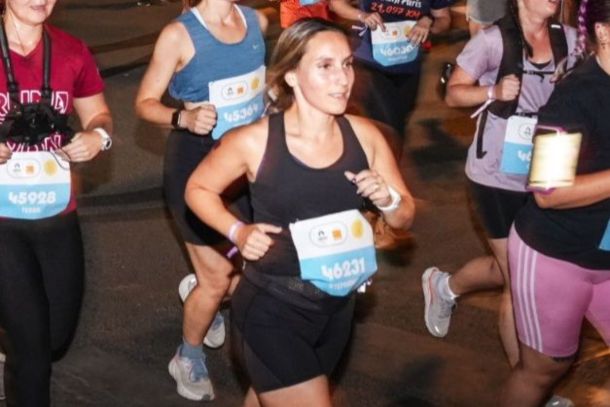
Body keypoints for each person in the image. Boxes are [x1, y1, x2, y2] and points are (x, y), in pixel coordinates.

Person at [185, 18, 415, 406]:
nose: (342, 78)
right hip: (273, 308)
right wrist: (237, 231)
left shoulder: (365, 135)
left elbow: (404, 216)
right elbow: (198, 188)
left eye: (346, 64)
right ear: (291, 75)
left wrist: (388, 199)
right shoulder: (255, 141)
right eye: (325, 66)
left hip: (337, 308)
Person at [422, 0, 577, 375]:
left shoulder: (569, 40)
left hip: (547, 170)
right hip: (494, 176)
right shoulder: (493, 41)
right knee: (518, 283)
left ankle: (445, 287)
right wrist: (492, 92)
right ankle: (528, 386)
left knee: (518, 267)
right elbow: (454, 92)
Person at [134, 0, 267, 401]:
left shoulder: (256, 21)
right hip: (197, 171)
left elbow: (258, 87)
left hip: (249, 169)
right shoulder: (179, 35)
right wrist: (183, 119)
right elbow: (144, 103)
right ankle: (187, 354)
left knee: (263, 265)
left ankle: (202, 289)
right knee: (218, 279)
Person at [0, 0, 113, 405]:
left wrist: (97, 138)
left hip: (56, 213)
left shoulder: (72, 51)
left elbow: (99, 115)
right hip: (2, 222)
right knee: (32, 354)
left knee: (57, 335)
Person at [501, 0, 610, 405]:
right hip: (554, 256)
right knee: (546, 368)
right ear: (604, 32)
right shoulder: (575, 96)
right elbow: (549, 193)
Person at [328, 0, 454, 139]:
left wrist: (428, 24)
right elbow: (336, 4)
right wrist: (362, 15)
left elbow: (443, 19)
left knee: (399, 123)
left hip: (408, 63)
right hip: (369, 63)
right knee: (388, 123)